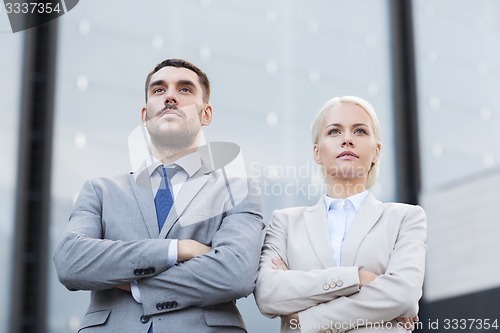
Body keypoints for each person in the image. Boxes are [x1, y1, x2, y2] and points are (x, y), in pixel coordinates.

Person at [53, 58, 264, 332]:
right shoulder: (100, 190)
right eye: (159, 90)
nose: (171, 97)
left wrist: (132, 283)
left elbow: (235, 273)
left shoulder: (238, 190)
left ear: (206, 114)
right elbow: (71, 260)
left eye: (185, 89)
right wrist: (176, 250)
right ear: (144, 115)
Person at [254, 96, 427, 333]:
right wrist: (356, 277)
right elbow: (268, 295)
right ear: (317, 152)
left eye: (360, 131)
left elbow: (404, 295)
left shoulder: (405, 218)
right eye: (334, 132)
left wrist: (306, 319)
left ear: (376, 151)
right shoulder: (285, 222)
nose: (347, 139)